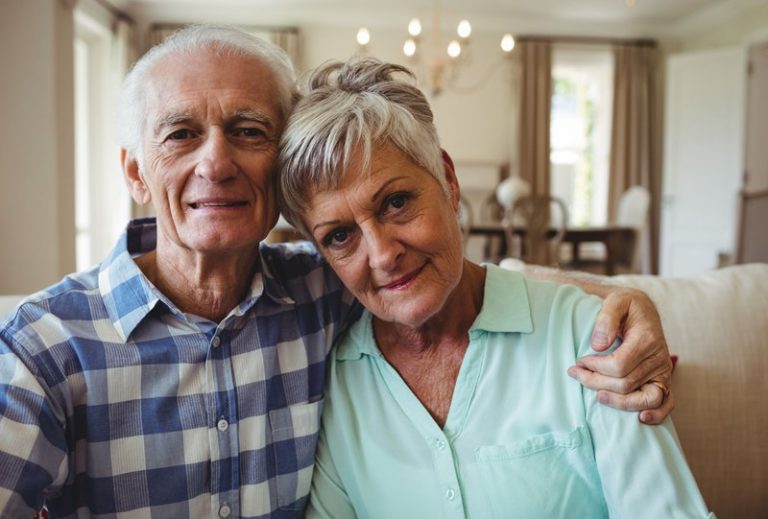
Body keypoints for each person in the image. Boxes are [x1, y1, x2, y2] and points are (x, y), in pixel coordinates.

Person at [0, 25, 670, 518]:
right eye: (180, 133)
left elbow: (463, 282)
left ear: (279, 170)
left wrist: (623, 303)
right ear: (135, 172)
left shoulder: (322, 285)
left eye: (249, 130)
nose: (216, 162)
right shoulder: (44, 347)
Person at [277, 57, 712, 518]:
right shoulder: (337, 381)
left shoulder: (588, 336)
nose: (383, 255)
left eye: (397, 202)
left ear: (448, 180)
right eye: (339, 236)